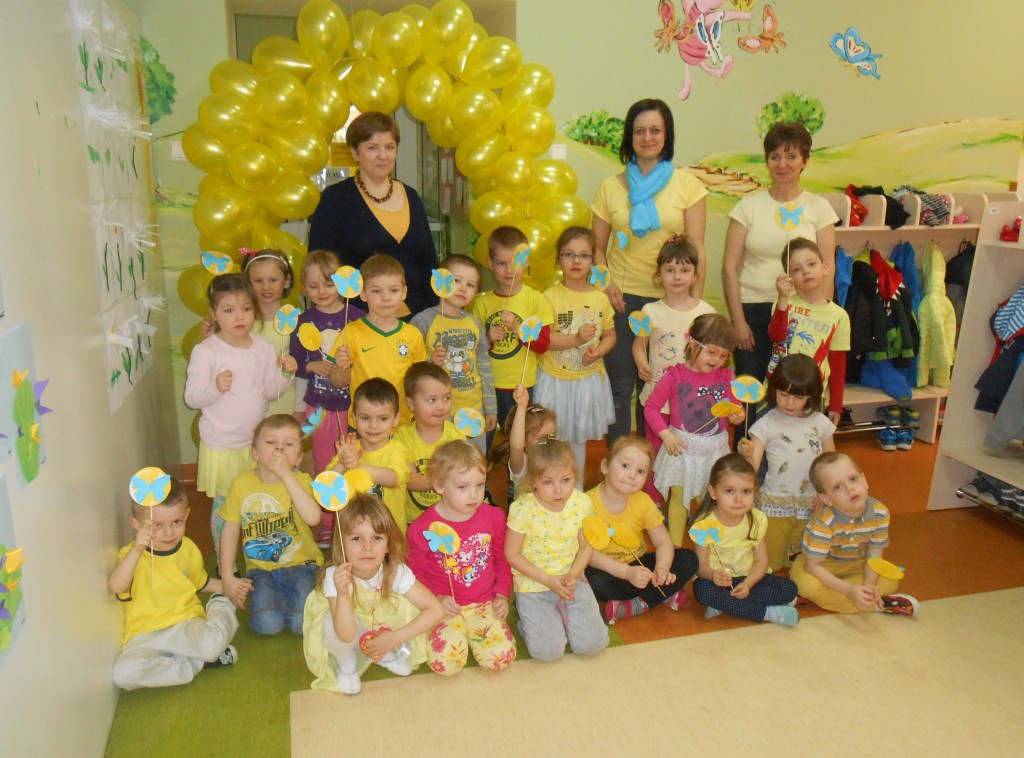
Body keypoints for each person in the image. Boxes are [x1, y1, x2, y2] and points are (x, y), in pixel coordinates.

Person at [592, 98, 709, 444]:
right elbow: (597, 249)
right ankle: (619, 461)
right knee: (621, 387)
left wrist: (695, 302)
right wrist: (607, 285)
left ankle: (655, 467)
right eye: (639, 130)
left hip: (670, 302)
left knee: (662, 389)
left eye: (655, 130)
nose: (647, 137)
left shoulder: (688, 185)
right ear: (629, 137)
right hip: (621, 301)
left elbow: (697, 247)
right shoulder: (609, 187)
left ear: (666, 134)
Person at [722, 122, 839, 407]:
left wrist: (822, 317)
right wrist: (739, 322)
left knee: (796, 396)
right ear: (767, 161)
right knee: (750, 395)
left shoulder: (819, 208)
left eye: (791, 156)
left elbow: (828, 267)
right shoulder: (748, 207)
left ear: (804, 161)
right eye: (775, 156)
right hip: (754, 312)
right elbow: (729, 268)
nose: (782, 164)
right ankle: (749, 439)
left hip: (802, 315)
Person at [185, 273, 296, 555]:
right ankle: (225, 558)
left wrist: (286, 374)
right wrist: (214, 388)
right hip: (223, 445)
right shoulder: (206, 351)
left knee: (258, 500)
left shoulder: (264, 348)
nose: (239, 317)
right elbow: (192, 397)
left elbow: (271, 392)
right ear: (213, 313)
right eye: (228, 310)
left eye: (246, 308)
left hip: (257, 445)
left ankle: (259, 553)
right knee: (226, 507)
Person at [301, 494, 444, 695]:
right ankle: (347, 664)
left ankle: (383, 651)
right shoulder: (335, 576)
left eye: (377, 538)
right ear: (342, 544)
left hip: (382, 625)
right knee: (329, 621)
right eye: (356, 538)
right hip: (348, 630)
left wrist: (393, 639)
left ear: (387, 545)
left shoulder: (395, 571)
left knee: (407, 604)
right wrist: (343, 595)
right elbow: (345, 634)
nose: (367, 547)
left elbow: (435, 610)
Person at [110, 478, 239, 689]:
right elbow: (117, 586)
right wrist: (137, 549)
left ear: (186, 515)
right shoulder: (131, 555)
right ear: (137, 525)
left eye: (177, 522)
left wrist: (229, 587)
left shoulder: (188, 549)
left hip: (184, 624)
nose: (169, 533)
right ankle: (196, 663)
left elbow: (200, 582)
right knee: (124, 674)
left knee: (211, 646)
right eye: (157, 525)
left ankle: (220, 606)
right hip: (144, 634)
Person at [307, 111, 438, 318]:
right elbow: (320, 265)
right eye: (372, 148)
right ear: (354, 152)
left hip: (417, 319)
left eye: (389, 147)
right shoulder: (336, 199)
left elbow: (428, 263)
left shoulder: (411, 196)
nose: (383, 156)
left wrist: (435, 316)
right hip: (359, 319)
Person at [407, 441, 517, 675]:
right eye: (462, 487)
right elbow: (414, 574)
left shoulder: (494, 517)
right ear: (439, 485)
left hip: (484, 603)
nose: (474, 495)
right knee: (445, 665)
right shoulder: (421, 528)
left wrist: (502, 593)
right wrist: (435, 599)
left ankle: (474, 633)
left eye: (480, 484)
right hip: (443, 607)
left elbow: (502, 559)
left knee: (502, 658)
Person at [644, 313, 744, 546]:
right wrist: (665, 434)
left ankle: (707, 549)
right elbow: (651, 408)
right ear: (692, 343)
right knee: (679, 501)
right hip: (682, 450)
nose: (717, 360)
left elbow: (735, 407)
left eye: (724, 355)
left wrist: (738, 415)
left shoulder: (726, 377)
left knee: (709, 501)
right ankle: (674, 548)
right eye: (712, 352)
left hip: (714, 450)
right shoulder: (675, 376)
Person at [505, 438, 609, 661]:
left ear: (575, 475)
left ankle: (560, 619)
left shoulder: (581, 503)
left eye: (565, 480)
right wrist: (548, 580)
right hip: (534, 585)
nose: (559, 489)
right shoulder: (522, 509)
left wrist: (573, 574)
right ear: (534, 481)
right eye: (548, 482)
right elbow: (511, 554)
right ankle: (528, 622)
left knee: (594, 644)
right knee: (548, 652)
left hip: (571, 582)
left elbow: (586, 546)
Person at [218, 414, 323, 635]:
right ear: (255, 453)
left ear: (298, 458)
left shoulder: (301, 481)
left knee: (301, 625)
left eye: (288, 444)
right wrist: (227, 576)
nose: (279, 448)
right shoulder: (241, 484)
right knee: (267, 626)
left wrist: (286, 475)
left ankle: (295, 601)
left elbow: (313, 518)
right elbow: (229, 531)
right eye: (271, 442)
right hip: (260, 571)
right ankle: (284, 600)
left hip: (302, 566)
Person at [632, 234, 716, 499]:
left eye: (684, 270)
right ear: (659, 274)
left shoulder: (705, 313)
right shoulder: (650, 311)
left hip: (692, 403)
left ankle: (685, 502)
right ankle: (654, 502)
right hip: (657, 401)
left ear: (695, 274)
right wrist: (642, 364)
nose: (677, 277)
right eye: (670, 270)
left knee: (686, 455)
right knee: (656, 453)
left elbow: (714, 356)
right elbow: (639, 345)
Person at [290, 249, 364, 544]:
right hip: (318, 406)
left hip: (352, 407)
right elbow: (296, 363)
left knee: (353, 461)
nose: (321, 291)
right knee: (324, 463)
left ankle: (352, 518)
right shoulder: (303, 320)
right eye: (313, 286)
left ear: (343, 284)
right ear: (304, 288)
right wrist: (311, 366)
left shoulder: (356, 318)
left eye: (329, 284)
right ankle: (327, 522)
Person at [789, 452, 920, 616]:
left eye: (853, 479)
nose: (850, 488)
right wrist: (849, 590)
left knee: (891, 579)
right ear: (826, 499)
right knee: (806, 584)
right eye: (838, 487)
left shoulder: (880, 513)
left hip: (857, 563)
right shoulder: (822, 522)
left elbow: (874, 555)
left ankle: (854, 596)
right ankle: (879, 605)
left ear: (864, 481)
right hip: (822, 564)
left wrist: (870, 583)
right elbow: (813, 566)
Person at [584, 436, 698, 623]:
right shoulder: (586, 503)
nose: (632, 475)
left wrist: (662, 569)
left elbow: (663, 542)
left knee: (689, 559)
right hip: (607, 569)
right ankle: (660, 594)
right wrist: (626, 573)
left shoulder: (643, 502)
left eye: (640, 471)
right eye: (625, 466)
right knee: (593, 581)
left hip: (639, 564)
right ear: (605, 466)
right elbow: (590, 555)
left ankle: (639, 603)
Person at [738, 354, 836, 571]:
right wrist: (747, 455)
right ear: (774, 390)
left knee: (806, 562)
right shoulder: (765, 423)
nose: (789, 403)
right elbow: (752, 469)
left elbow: (832, 465)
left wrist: (826, 492)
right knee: (771, 565)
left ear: (811, 395)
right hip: (775, 506)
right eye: (783, 394)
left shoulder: (821, 423)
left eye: (798, 397)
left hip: (812, 504)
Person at [535, 226, 615, 480]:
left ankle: (575, 486)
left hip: (586, 382)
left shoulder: (601, 299)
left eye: (584, 255)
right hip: (554, 380)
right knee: (548, 438)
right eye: (569, 254)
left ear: (593, 261)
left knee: (579, 440)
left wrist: (598, 351)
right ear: (558, 259)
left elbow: (610, 336)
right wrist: (576, 339)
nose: (576, 261)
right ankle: (546, 484)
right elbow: (545, 340)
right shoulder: (549, 297)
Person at [689, 454, 799, 626]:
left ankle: (727, 605)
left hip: (750, 579)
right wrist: (712, 574)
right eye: (729, 491)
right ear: (713, 492)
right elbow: (701, 566)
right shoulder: (704, 525)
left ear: (754, 491)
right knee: (703, 591)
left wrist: (748, 584)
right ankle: (766, 613)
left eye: (746, 491)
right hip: (718, 583)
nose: (738, 499)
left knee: (790, 588)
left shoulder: (756, 520)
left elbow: (761, 562)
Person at [470, 225, 554, 446]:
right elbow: (472, 347)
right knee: (484, 438)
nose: (509, 270)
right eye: (501, 263)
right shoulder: (482, 302)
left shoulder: (536, 300)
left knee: (519, 440)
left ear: (526, 262)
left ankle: (516, 471)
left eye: (515, 262)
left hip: (521, 386)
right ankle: (484, 469)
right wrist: (488, 338)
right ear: (490, 264)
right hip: (487, 384)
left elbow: (543, 344)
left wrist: (518, 329)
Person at [411, 253, 497, 453]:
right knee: (443, 461)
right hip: (438, 411)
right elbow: (410, 366)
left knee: (475, 459)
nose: (463, 288)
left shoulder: (474, 323)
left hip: (473, 410)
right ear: (440, 281)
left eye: (471, 285)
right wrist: (430, 362)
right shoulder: (423, 321)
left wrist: (491, 407)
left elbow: (485, 368)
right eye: (457, 281)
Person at [200, 248, 301, 416]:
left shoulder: (297, 321)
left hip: (283, 404)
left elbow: (302, 370)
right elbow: (222, 355)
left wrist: (300, 409)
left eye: (273, 280)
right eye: (258, 281)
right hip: (243, 407)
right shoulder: (239, 322)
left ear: (287, 281)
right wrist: (214, 333)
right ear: (247, 283)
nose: (266, 287)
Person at [333, 253, 427, 426]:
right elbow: (338, 382)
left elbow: (419, 384)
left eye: (394, 290)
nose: (386, 298)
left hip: (403, 425)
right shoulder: (351, 333)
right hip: (365, 426)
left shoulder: (413, 335)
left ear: (404, 292)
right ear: (363, 293)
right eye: (376, 291)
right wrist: (340, 366)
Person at [766, 238, 850, 424]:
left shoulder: (839, 316)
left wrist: (836, 405)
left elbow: (838, 363)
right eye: (796, 269)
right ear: (789, 277)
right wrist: (782, 299)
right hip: (779, 391)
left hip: (811, 394)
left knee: (808, 440)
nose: (805, 271)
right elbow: (777, 336)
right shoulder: (783, 304)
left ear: (825, 267)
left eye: (811, 264)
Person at [328, 378, 411, 531]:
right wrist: (342, 462)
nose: (373, 425)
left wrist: (357, 466)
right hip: (352, 534)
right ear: (354, 418)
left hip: (391, 534)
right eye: (365, 418)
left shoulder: (398, 450)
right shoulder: (348, 449)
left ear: (395, 420)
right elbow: (326, 488)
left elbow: (393, 478)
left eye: (383, 418)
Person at [393, 362, 465, 526]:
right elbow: (410, 479)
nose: (441, 406)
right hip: (414, 521)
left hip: (450, 519)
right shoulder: (402, 437)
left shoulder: (456, 436)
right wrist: (442, 481)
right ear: (410, 404)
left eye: (447, 398)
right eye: (432, 400)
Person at [489, 385, 557, 502]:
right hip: (526, 512)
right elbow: (516, 447)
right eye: (541, 438)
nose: (549, 441)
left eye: (552, 436)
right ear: (524, 441)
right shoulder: (522, 463)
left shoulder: (556, 456)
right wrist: (521, 407)